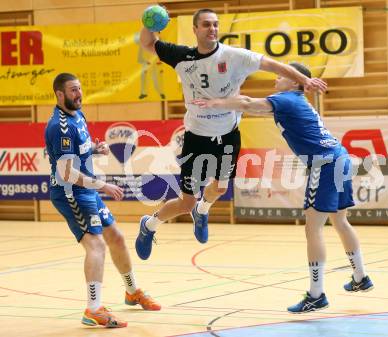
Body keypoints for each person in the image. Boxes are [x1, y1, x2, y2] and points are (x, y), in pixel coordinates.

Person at [135, 8, 327, 260]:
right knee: (186, 202)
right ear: (195, 30)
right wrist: (150, 22)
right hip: (196, 137)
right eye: (206, 25)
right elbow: (147, 42)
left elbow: (273, 64)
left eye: (215, 24)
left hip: (227, 136)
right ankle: (149, 225)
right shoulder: (181, 56)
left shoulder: (235, 56)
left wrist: (305, 79)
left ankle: (203, 211)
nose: (212, 29)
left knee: (219, 188)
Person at [191, 62, 374, 313]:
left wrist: (215, 102)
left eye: (282, 75)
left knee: (313, 228)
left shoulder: (286, 99)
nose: (277, 78)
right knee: (339, 221)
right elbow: (253, 108)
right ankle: (361, 277)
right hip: (339, 157)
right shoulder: (294, 102)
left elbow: (246, 103)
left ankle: (316, 294)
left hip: (325, 164)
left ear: (295, 81)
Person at [44, 73, 161, 328]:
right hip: (70, 193)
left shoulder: (78, 115)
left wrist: (95, 149)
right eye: (73, 90)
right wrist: (103, 185)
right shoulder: (59, 126)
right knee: (96, 245)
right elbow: (65, 173)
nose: (79, 94)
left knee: (116, 237)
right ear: (60, 94)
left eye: (80, 89)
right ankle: (93, 308)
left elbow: (78, 152)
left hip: (86, 190)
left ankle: (132, 292)